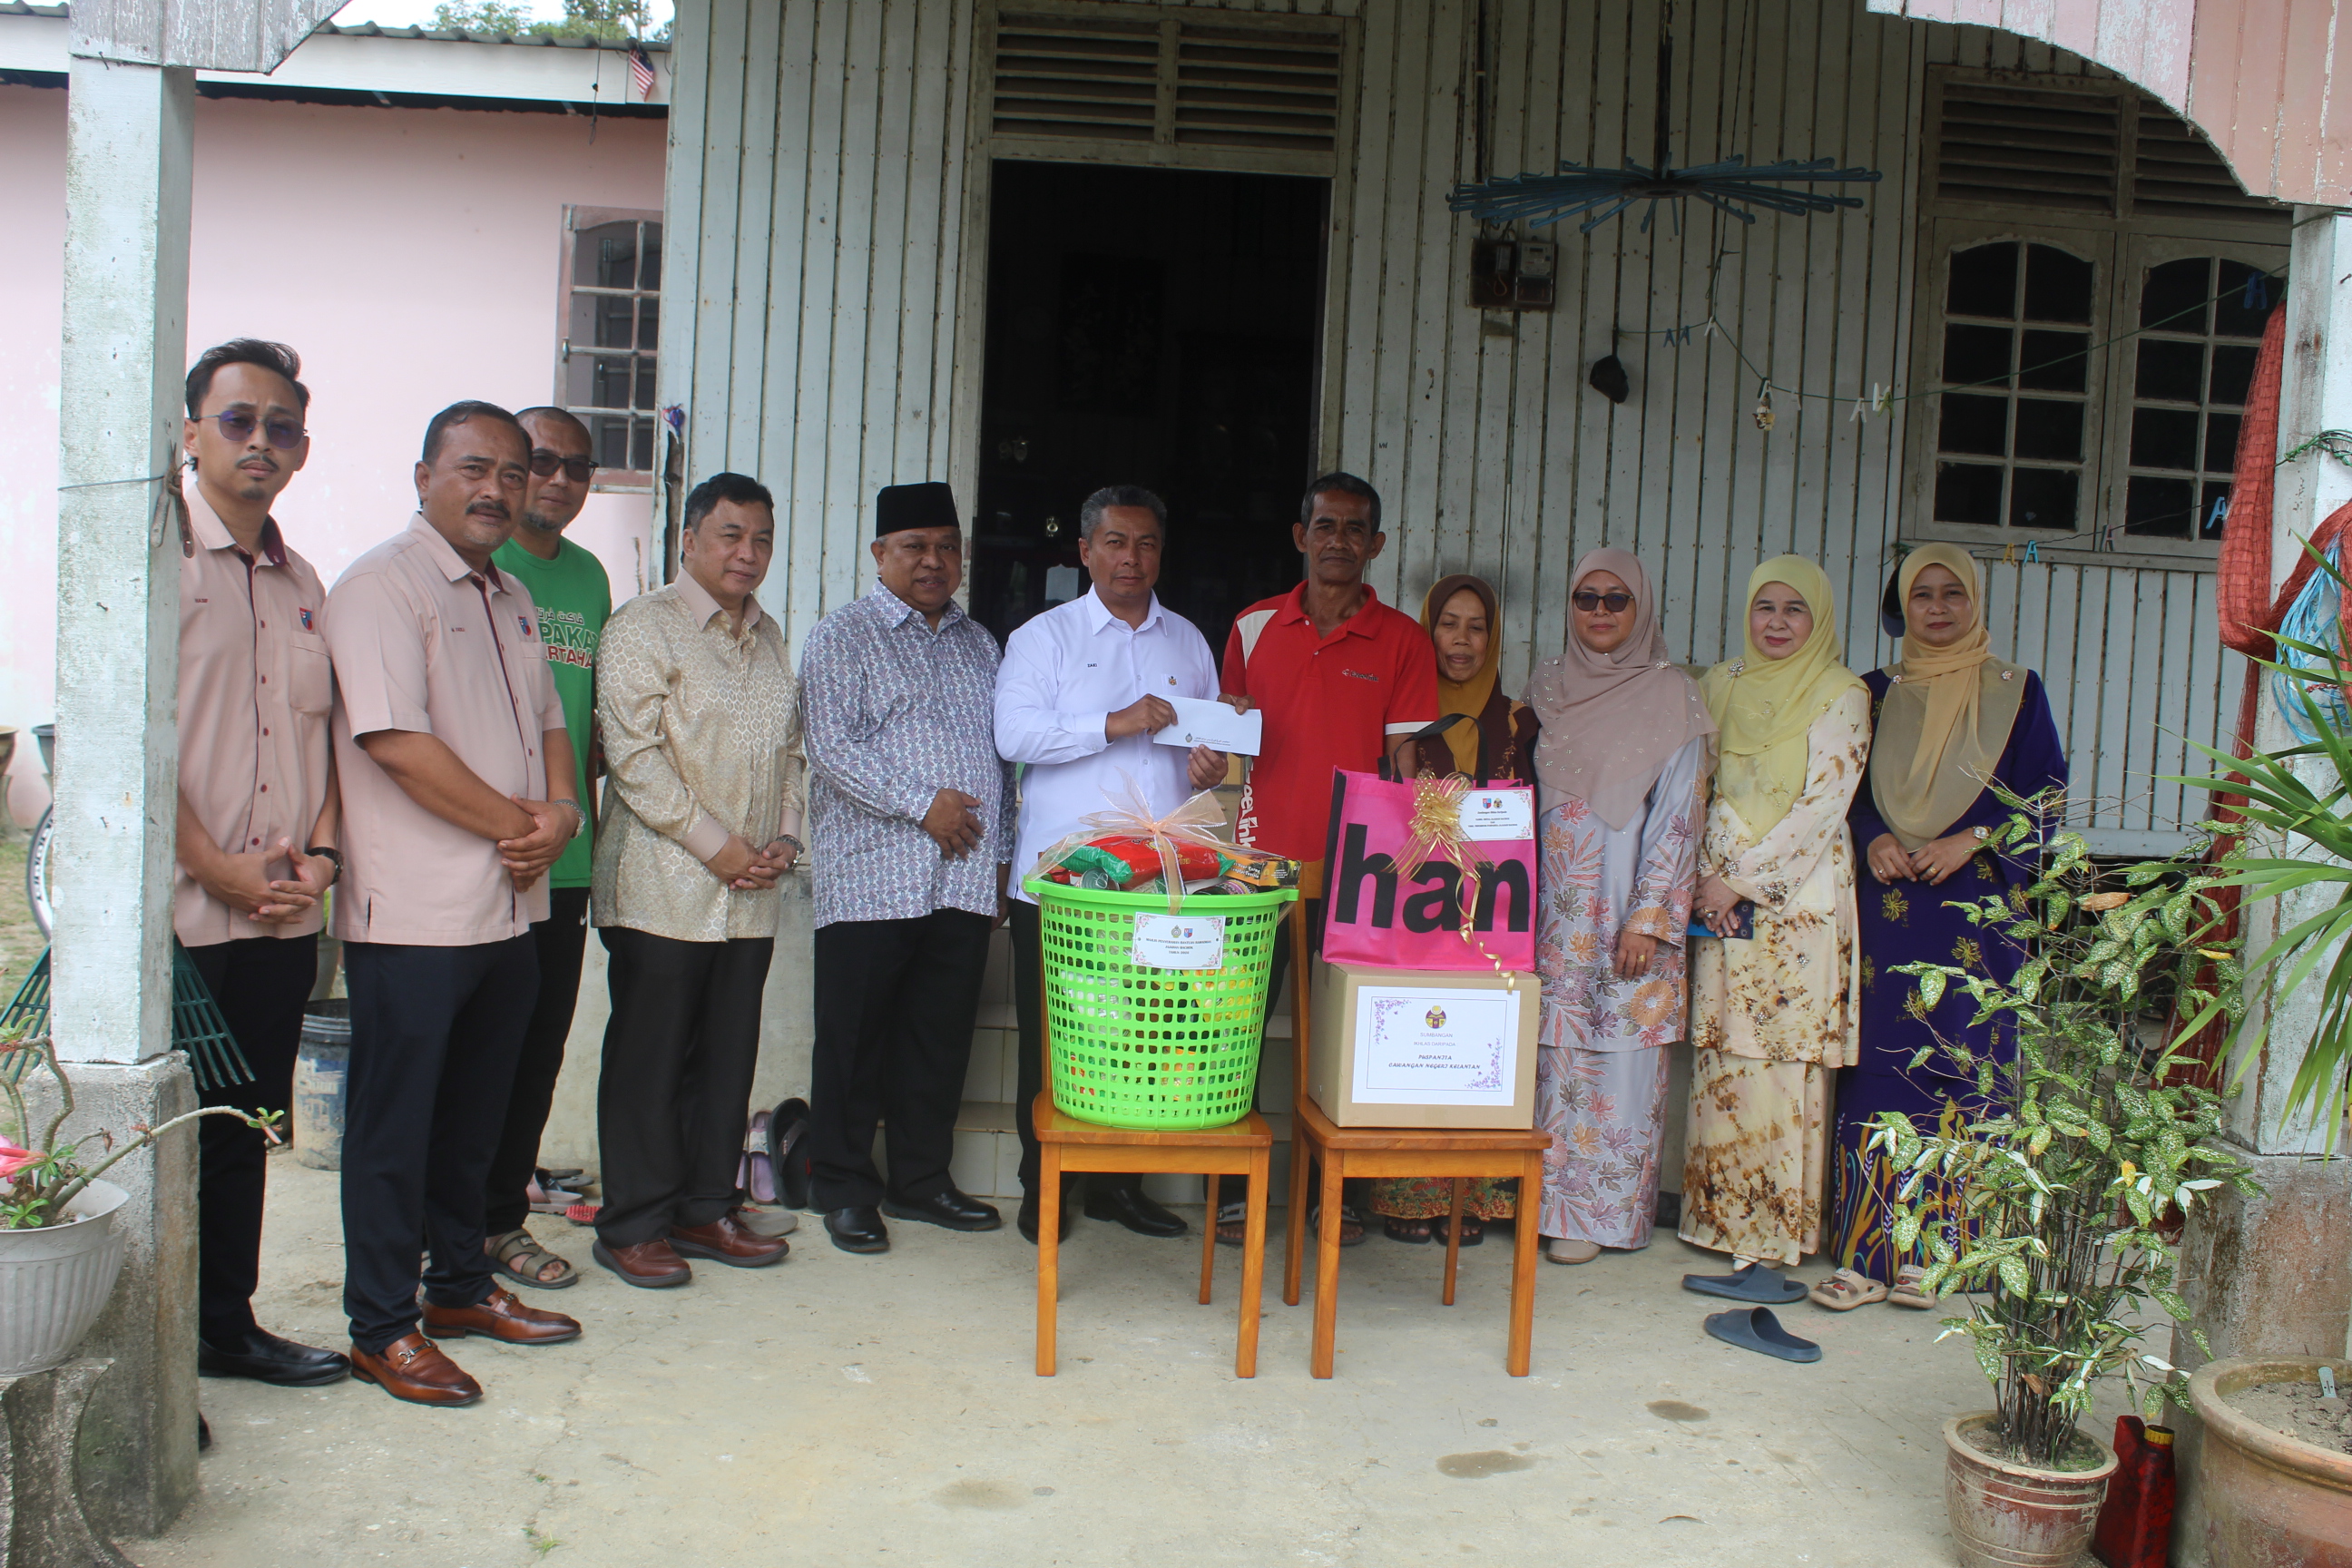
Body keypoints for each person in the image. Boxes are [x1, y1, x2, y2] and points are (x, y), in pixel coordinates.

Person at [323, 401, 585, 1406]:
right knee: (397, 1130)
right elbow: (395, 743)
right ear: (423, 476)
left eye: (513, 474)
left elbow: (549, 721)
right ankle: (382, 1326)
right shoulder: (381, 587)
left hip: (508, 908)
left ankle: (461, 1289)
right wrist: (521, 825)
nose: (497, 489)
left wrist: (562, 812)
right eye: (474, 468)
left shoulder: (510, 595)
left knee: (477, 1118)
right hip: (417, 915)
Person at [172, 339, 349, 1390]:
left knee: (245, 1128)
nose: (259, 442)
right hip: (185, 916)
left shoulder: (305, 584)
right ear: (191, 432)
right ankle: (158, 1359)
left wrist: (321, 858)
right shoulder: (156, 563)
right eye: (238, 421)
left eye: (280, 427)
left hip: (283, 915)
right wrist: (214, 868)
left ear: (302, 450)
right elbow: (129, 746)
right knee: (171, 1139)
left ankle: (223, 1328)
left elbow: (324, 743)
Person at [1823, 544, 2066, 1306]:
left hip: (1975, 910)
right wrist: (1873, 837)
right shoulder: (1874, 692)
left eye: (1951, 592)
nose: (1936, 607)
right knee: (1881, 1066)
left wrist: (1974, 839)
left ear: (1975, 601)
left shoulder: (2016, 691)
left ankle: (1941, 1255)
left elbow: (2046, 794)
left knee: (1962, 1064)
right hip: (1889, 909)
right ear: (1903, 606)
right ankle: (1866, 1253)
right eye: (1921, 594)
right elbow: (1843, 787)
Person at [995, 485, 1228, 1245]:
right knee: (1056, 1040)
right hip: (1064, 884)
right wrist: (1113, 723)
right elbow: (1013, 735)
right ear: (1086, 551)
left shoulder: (1188, 642)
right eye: (1116, 543)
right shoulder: (1044, 637)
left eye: (1147, 543)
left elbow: (1207, 751)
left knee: (1146, 1035)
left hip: (1160, 884)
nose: (1132, 558)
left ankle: (1119, 1186)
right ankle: (1045, 1187)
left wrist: (1208, 766)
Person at [589, 472, 802, 1287]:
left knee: (725, 1057)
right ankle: (633, 1224)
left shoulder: (769, 635)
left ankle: (706, 1208)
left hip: (750, 894)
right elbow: (633, 757)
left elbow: (791, 752)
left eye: (762, 539)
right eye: (730, 534)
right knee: (651, 1062)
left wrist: (784, 839)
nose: (747, 553)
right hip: (662, 888)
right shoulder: (643, 626)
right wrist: (719, 848)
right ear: (688, 539)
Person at [1217, 472, 1437, 1245]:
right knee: (1234, 1030)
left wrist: (1421, 856)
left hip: (1357, 878)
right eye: (1325, 526)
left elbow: (1408, 764)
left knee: (1343, 1043)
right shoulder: (1251, 628)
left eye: (1354, 529)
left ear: (1377, 545)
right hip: (1256, 870)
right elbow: (1227, 751)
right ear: (1299, 536)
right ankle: (1234, 1191)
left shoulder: (1404, 640)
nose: (1338, 541)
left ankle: (1331, 1196)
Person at [798, 481, 1014, 1255]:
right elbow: (829, 747)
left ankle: (922, 1182)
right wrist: (925, 805)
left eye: (947, 547)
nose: (933, 561)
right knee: (854, 1041)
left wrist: (1001, 862)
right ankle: (844, 1186)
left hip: (962, 878)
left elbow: (1003, 762)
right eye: (916, 547)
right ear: (880, 553)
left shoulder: (981, 644)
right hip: (871, 877)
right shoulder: (842, 636)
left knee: (938, 1039)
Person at [1520, 552, 1715, 1265]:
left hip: (1626, 906)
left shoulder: (1673, 695)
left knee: (1622, 1061)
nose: (1600, 612)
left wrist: (1647, 918)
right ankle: (1550, 1208)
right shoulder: (1548, 686)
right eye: (1586, 598)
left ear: (1643, 608)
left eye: (1617, 599)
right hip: (1554, 909)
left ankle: (1604, 1218)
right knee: (1556, 1058)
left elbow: (1680, 816)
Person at [1679, 556, 1870, 1277]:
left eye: (1796, 609)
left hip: (1797, 901)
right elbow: (1698, 782)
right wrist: (1708, 878)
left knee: (1783, 1059)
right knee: (1723, 1049)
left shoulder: (1841, 691)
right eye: (1766, 607)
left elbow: (1824, 802)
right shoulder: (1720, 683)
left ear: (1818, 618)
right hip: (1719, 893)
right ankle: (1715, 1219)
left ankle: (1771, 1230)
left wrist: (1739, 881)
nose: (1779, 623)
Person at [480, 406, 612, 1292]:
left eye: (578, 466)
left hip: (565, 860)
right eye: (542, 461)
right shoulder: (482, 565)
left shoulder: (591, 578)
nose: (559, 479)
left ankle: (499, 1223)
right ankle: (445, 1235)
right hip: (486, 855)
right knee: (473, 1060)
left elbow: (590, 724)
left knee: (535, 1057)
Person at [1367, 573, 1540, 1247]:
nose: (1462, 641)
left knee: (1478, 1046)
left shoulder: (1519, 721)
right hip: (1413, 907)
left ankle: (1475, 1194)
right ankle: (1408, 1193)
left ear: (1493, 638)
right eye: (1447, 624)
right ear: (1426, 632)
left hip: (1491, 911)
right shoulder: (1400, 717)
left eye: (1476, 627)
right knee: (1416, 1044)